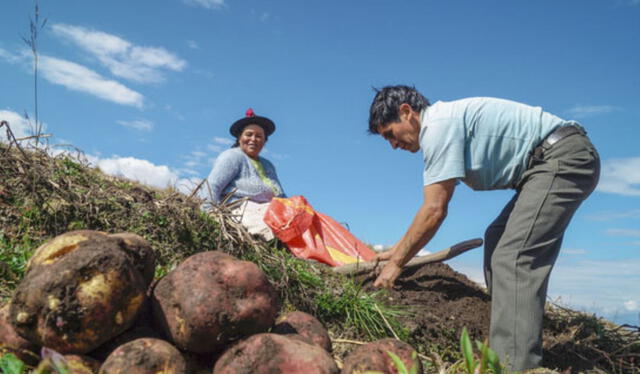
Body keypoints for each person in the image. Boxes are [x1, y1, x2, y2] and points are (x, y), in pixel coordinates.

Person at [367, 85, 600, 371]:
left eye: (390, 134)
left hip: (562, 159)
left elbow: (434, 210)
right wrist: (397, 250)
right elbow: (431, 209)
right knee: (497, 237)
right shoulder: (442, 123)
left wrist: (396, 264)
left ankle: (516, 366)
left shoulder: (437, 127)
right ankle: (505, 342)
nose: (392, 145)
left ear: (407, 112)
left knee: (514, 257)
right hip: (546, 165)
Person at [206, 108, 286, 240]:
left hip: (271, 210)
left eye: (259, 136)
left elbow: (281, 195)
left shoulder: (268, 165)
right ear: (239, 138)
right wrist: (210, 214)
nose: (253, 139)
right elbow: (212, 186)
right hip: (242, 209)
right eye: (249, 134)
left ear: (264, 141)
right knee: (273, 231)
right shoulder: (232, 156)